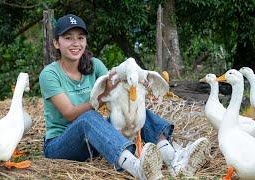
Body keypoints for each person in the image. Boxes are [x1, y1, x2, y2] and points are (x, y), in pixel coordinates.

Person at [39, 14, 210, 179]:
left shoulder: (94, 65)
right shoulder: (50, 74)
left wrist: (138, 90)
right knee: (87, 118)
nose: (75, 43)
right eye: (68, 38)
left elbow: (116, 94)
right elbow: (69, 114)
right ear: (56, 43)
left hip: (93, 138)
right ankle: (136, 167)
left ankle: (173, 158)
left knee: (136, 110)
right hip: (60, 145)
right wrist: (101, 96)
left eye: (80, 38)